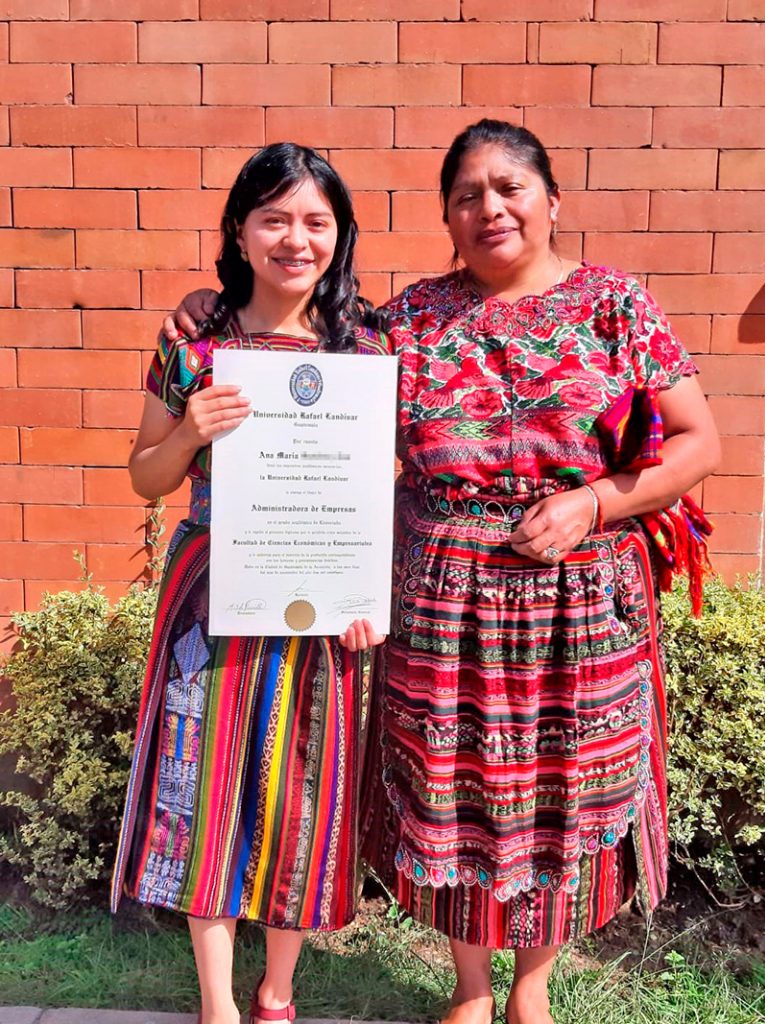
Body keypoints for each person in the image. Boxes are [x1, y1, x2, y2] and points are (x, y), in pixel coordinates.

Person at [164, 121, 720, 1024]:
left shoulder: (618, 307)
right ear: (447, 218)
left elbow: (701, 443)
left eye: (509, 188)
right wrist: (210, 307)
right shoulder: (412, 319)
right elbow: (307, 367)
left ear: (551, 200)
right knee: (457, 794)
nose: (489, 208)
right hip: (445, 608)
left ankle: (532, 988)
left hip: (578, 603)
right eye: (467, 196)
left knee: (561, 792)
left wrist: (597, 502)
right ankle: (468, 986)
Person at [112, 142, 388, 1024]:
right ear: (240, 227)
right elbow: (145, 478)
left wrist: (362, 592)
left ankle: (278, 990)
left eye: (316, 221)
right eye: (274, 218)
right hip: (214, 596)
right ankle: (216, 1002)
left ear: (340, 234)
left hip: (320, 599)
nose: (294, 239)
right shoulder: (197, 341)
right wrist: (188, 430)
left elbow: (384, 480)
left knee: (298, 782)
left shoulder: (373, 344)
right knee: (205, 781)